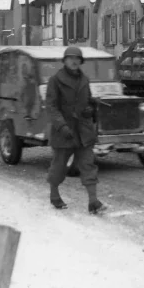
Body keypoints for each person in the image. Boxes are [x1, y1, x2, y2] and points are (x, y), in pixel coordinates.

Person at [45, 45, 106, 215]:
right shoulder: (55, 80)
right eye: (70, 58)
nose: (74, 61)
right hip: (64, 131)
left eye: (77, 59)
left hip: (83, 131)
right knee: (59, 166)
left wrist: (90, 107)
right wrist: (62, 126)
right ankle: (54, 194)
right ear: (64, 61)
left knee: (88, 165)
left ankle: (93, 201)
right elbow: (51, 106)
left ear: (81, 61)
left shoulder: (84, 79)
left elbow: (85, 100)